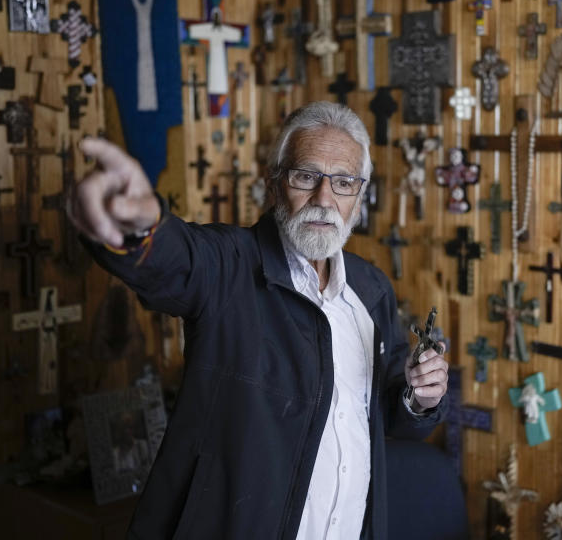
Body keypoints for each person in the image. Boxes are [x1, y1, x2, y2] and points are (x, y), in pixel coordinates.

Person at [68, 101, 450, 539]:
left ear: (359, 197)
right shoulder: (229, 265)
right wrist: (140, 228)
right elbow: (177, 258)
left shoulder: (372, 288)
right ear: (274, 184)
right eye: (306, 177)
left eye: (344, 182)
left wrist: (420, 397)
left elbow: (383, 409)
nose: (324, 199)